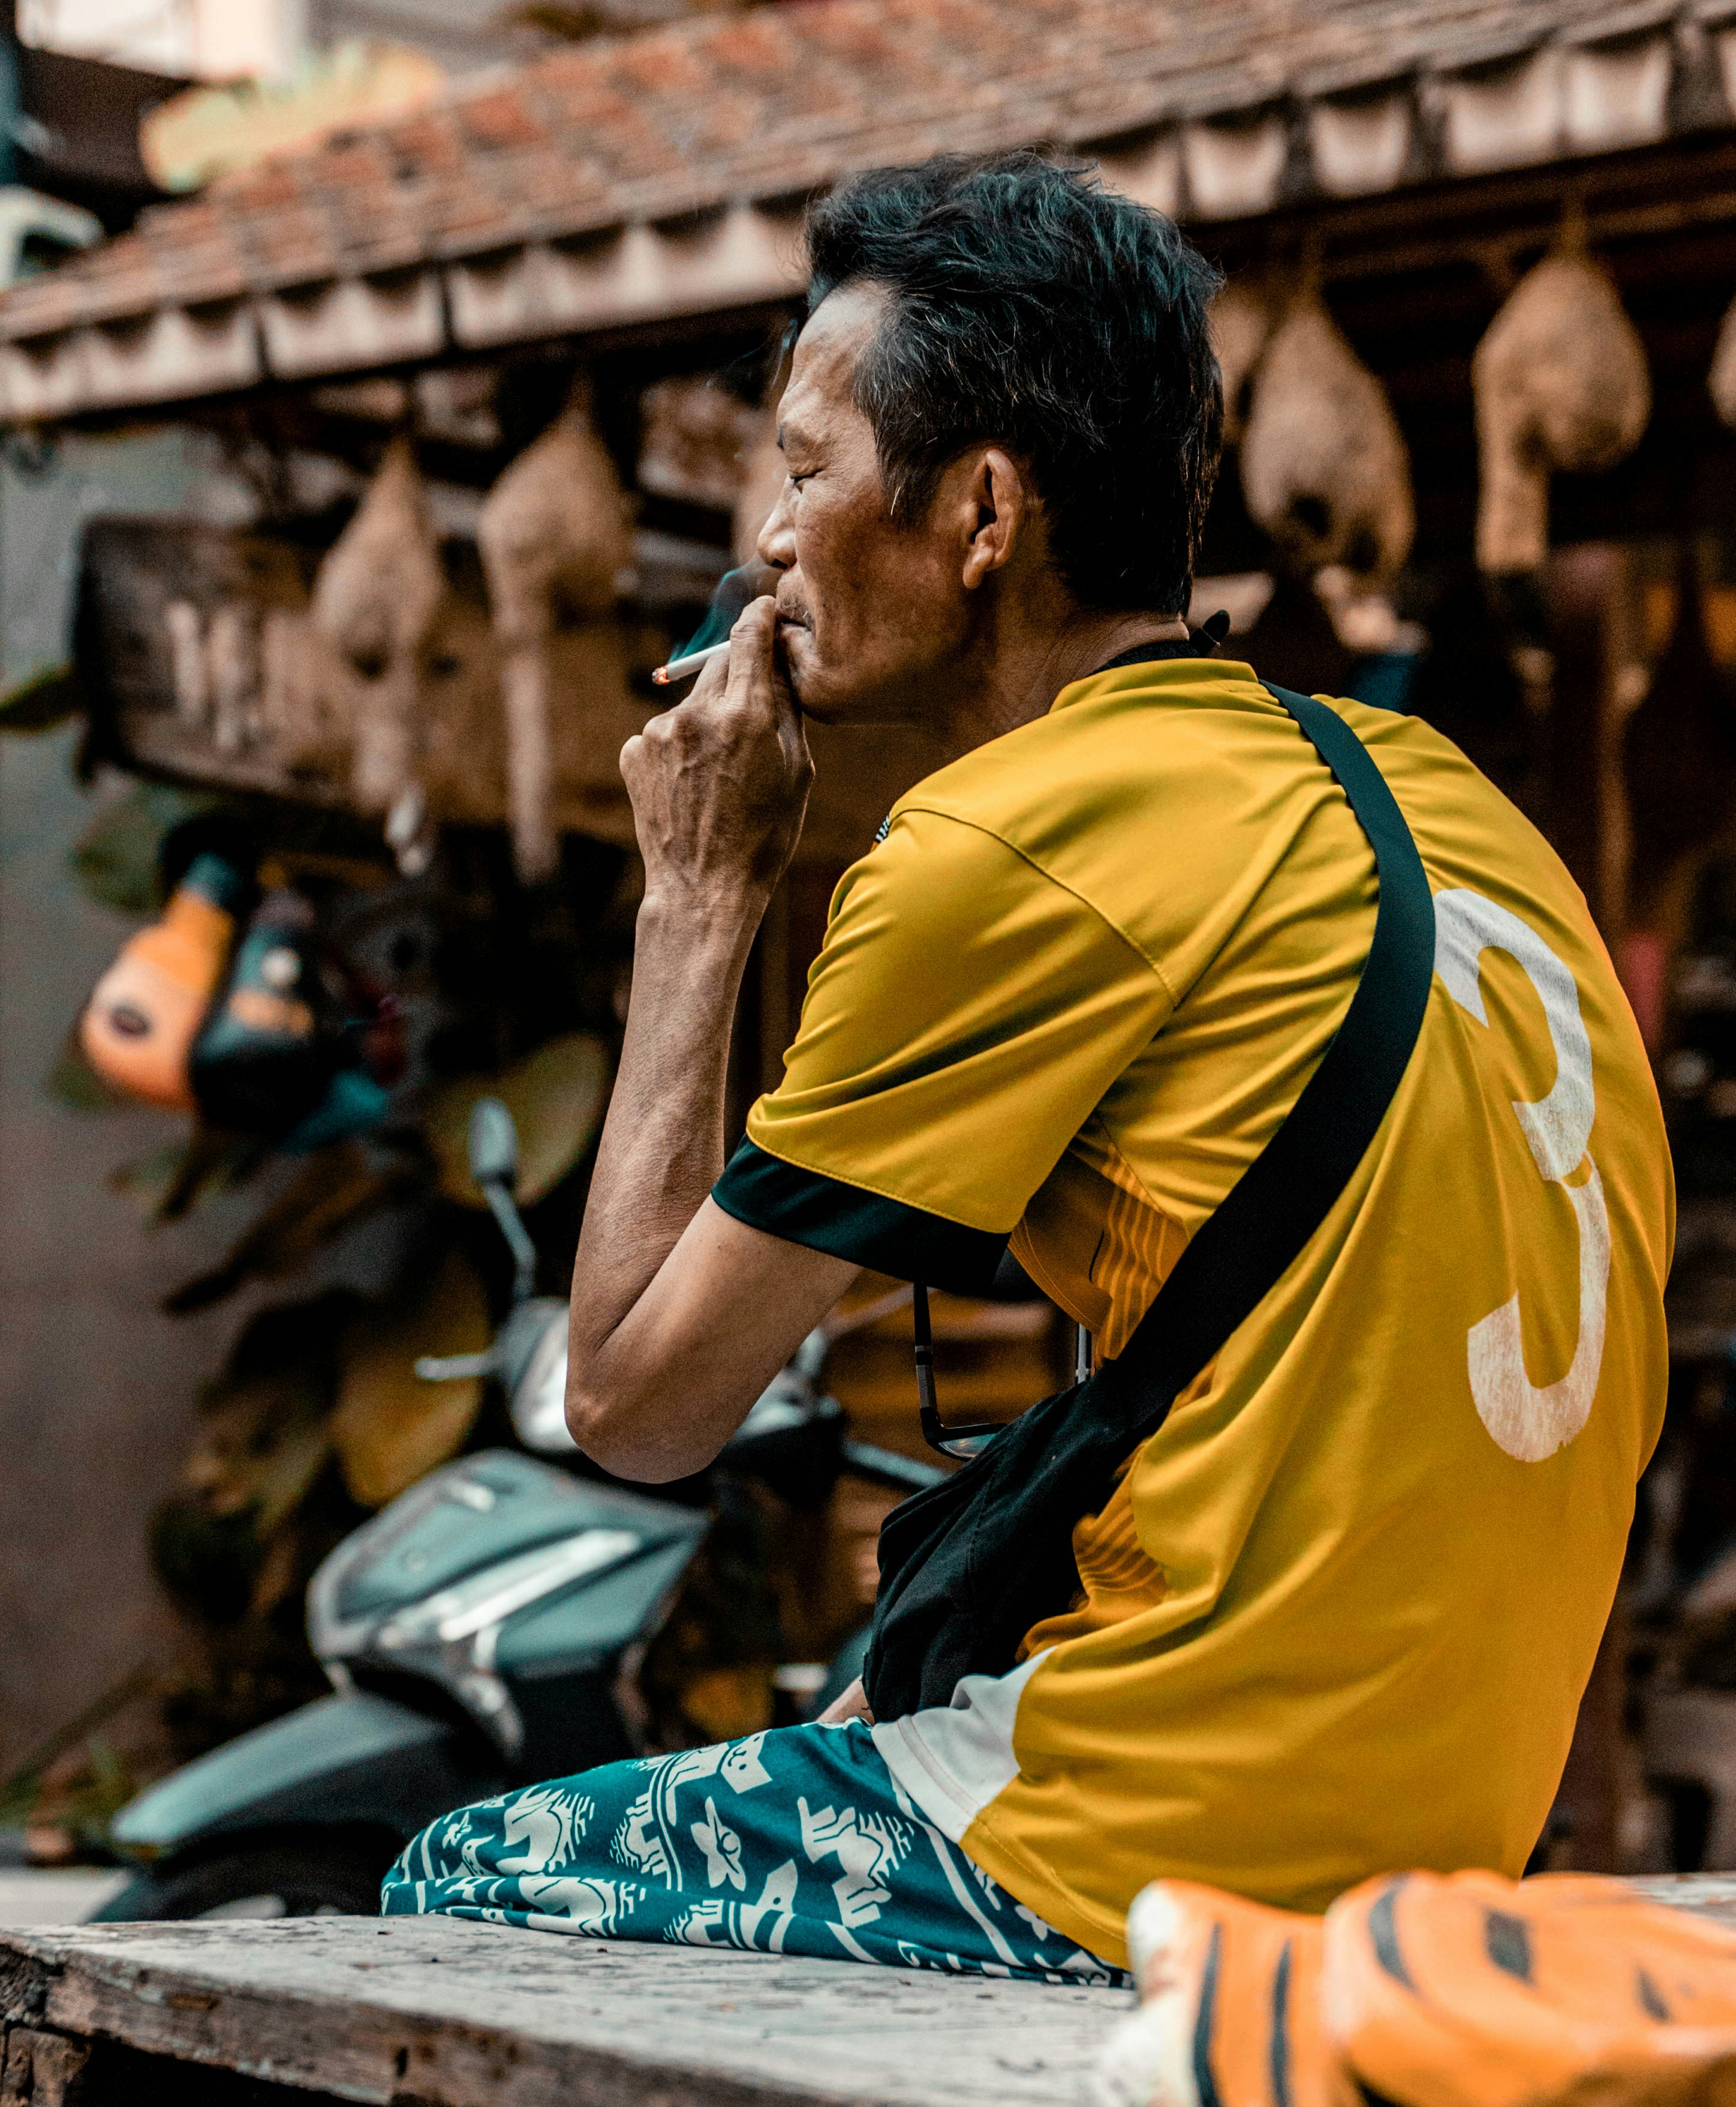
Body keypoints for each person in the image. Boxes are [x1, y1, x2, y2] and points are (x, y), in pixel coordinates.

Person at [383, 152, 1671, 1978]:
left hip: (1154, 1831)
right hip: (1458, 1820)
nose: (769, 539)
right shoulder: (1460, 810)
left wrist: (699, 894)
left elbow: (637, 1406)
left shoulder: (1008, 841)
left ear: (981, 514)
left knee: (462, 1874)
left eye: (807, 470)